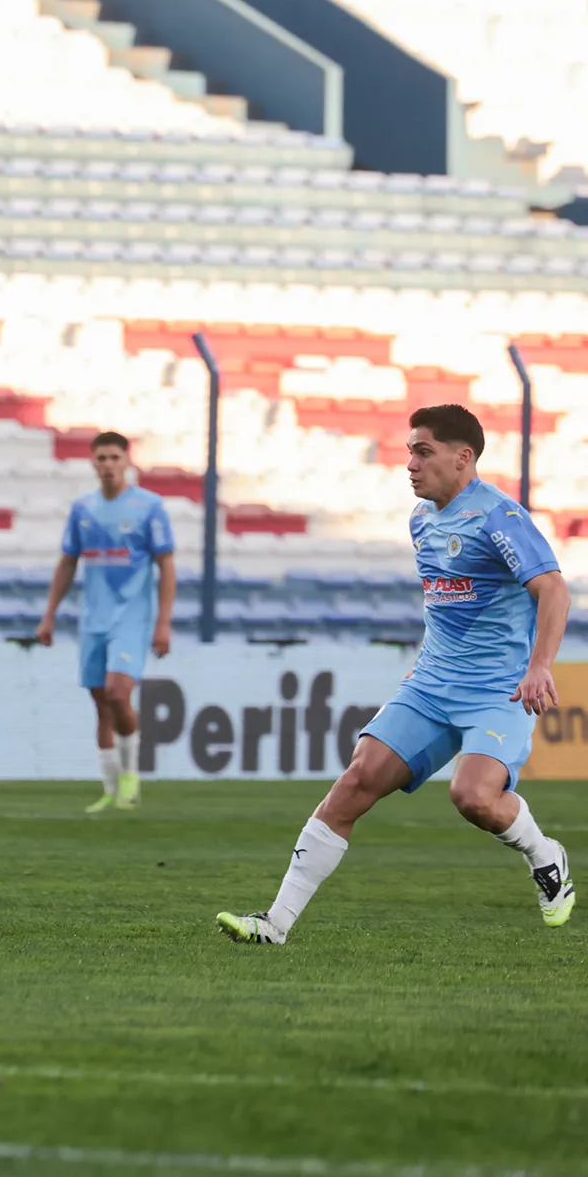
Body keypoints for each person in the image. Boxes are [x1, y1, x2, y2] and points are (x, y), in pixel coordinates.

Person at [219, 404, 573, 943]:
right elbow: (444, 606)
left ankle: (545, 855)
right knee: (356, 781)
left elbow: (553, 589)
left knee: (474, 797)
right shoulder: (421, 520)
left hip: (496, 691)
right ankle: (275, 924)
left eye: (423, 452)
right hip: (430, 686)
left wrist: (539, 666)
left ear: (463, 457)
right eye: (409, 451)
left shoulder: (499, 517)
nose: (410, 464)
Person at [35, 431, 176, 813]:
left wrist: (163, 623)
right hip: (92, 619)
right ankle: (111, 790)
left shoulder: (149, 507)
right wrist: (48, 616)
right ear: (93, 463)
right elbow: (68, 562)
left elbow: (166, 565)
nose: (108, 464)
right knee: (101, 703)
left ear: (127, 461)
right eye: (102, 458)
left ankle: (130, 775)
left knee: (117, 693)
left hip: (132, 617)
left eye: (115, 457)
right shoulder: (83, 508)